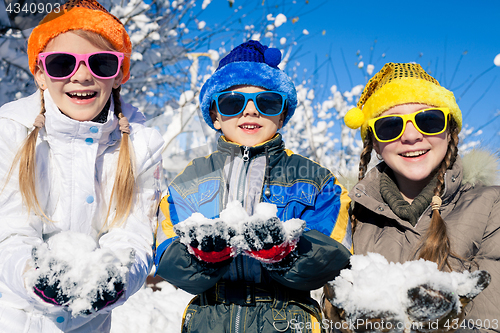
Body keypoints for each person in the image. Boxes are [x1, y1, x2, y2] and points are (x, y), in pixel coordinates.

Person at [155, 40, 352, 332]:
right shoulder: (188, 180)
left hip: (288, 319)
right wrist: (205, 256)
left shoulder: (317, 180)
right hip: (208, 320)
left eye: (267, 102)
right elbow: (167, 258)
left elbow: (336, 255)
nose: (249, 111)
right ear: (215, 116)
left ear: (282, 114)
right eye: (233, 102)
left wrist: (285, 252)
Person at [0, 0, 164, 332]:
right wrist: (35, 275)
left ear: (117, 75)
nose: (83, 76)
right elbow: (9, 232)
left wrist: (115, 278)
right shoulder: (10, 131)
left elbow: (133, 234)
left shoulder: (141, 145)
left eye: (101, 63)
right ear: (41, 76)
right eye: (62, 63)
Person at [326, 63, 499, 330]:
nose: (411, 136)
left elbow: (489, 321)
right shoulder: (349, 215)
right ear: (374, 143)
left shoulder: (491, 207)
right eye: (390, 126)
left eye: (429, 120)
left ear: (450, 129)